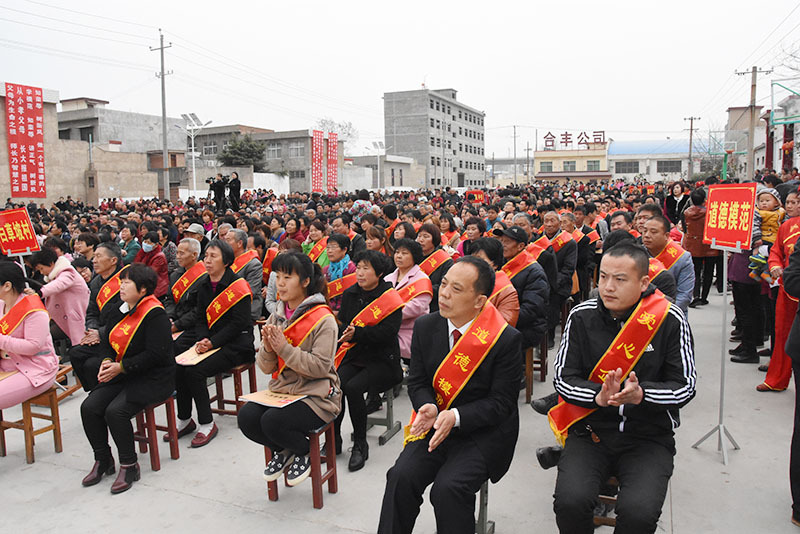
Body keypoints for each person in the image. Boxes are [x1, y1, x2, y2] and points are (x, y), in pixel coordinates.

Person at [551, 242, 696, 534]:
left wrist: (643, 395)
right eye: (603, 277)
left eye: (620, 279)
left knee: (638, 514)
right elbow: (563, 379)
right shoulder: (581, 316)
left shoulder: (669, 319)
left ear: (644, 283)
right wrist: (598, 397)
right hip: (590, 432)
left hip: (648, 437)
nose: (607, 287)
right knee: (570, 502)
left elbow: (685, 386)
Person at [378, 257, 523, 534]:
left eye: (456, 289)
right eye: (443, 284)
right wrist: (428, 406)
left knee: (448, 489)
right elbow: (418, 381)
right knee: (400, 477)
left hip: (482, 433)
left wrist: (455, 416)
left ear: (479, 301)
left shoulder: (505, 339)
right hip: (435, 425)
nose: (444, 294)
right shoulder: (426, 326)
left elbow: (502, 403)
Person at [238, 252, 342, 487]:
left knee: (273, 422)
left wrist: (283, 349)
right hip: (283, 392)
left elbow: (319, 367)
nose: (280, 283)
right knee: (247, 417)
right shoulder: (276, 317)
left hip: (316, 395)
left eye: (288, 277)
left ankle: (303, 451)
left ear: (305, 281)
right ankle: (286, 451)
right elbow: (266, 368)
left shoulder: (323, 319)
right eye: (278, 276)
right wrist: (267, 347)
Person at [79, 263, 174, 494]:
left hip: (152, 376)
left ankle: (129, 465)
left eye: (127, 282)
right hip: (123, 373)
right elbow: (107, 343)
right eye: (121, 281)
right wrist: (105, 362)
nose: (121, 286)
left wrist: (121, 367)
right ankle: (103, 459)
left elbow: (156, 355)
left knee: (116, 411)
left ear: (142, 290)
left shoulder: (155, 314)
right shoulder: (117, 310)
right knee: (89, 407)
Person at [172, 239, 255, 448]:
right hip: (210, 341)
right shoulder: (203, 285)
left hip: (236, 344)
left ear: (226, 261)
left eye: (213, 256)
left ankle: (207, 423)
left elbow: (239, 324)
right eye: (206, 256)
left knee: (194, 371)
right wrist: (202, 339)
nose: (207, 261)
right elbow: (200, 318)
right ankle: (184, 419)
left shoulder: (238, 286)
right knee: (178, 364)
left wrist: (212, 342)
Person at [335, 250, 403, 471]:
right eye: (359, 268)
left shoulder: (389, 297)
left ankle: (360, 445)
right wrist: (351, 334)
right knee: (335, 384)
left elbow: (388, 334)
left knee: (353, 388)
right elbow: (343, 325)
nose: (360, 273)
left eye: (366, 268)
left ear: (379, 272)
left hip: (382, 359)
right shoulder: (350, 294)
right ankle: (334, 437)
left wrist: (358, 334)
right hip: (354, 355)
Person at [67, 242, 127, 391]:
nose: (94, 261)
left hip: (123, 335)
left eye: (99, 256)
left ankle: (108, 393)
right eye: (94, 257)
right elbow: (92, 312)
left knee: (91, 365)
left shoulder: (127, 279)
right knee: (75, 353)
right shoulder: (95, 283)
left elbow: (128, 315)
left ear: (113, 260)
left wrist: (100, 333)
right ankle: (95, 393)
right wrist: (92, 330)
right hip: (102, 335)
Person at [0, 262, 58, 410]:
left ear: (7, 286)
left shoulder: (33, 310)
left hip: (35, 369)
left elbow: (33, 346)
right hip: (7, 364)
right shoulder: (2, 304)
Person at [759, 190, 800, 391]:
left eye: (794, 202)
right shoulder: (786, 226)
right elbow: (776, 251)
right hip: (787, 288)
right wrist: (774, 264)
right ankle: (777, 379)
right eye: (788, 202)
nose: (790, 206)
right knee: (782, 334)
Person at [495, 226, 549, 348]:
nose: (503, 245)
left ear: (520, 246)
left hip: (526, 327)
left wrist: (500, 320)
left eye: (507, 242)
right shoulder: (500, 263)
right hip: (504, 319)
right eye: (501, 241)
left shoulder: (534, 272)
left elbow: (531, 310)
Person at [27, 247, 90, 347]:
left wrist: (39, 293)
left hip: (76, 315)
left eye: (42, 269)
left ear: (51, 263)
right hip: (65, 316)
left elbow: (57, 285)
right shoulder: (56, 275)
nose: (42, 273)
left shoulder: (67, 272)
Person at [385, 239, 432, 365]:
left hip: (409, 332)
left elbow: (416, 307)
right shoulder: (388, 278)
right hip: (387, 328)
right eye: (397, 252)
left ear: (414, 256)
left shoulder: (422, 279)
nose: (399, 256)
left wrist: (385, 314)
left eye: (404, 253)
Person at [641, 215, 694, 314]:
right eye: (644, 231)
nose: (647, 235)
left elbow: (684, 295)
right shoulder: (636, 253)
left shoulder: (682, 258)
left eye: (653, 232)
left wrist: (665, 314)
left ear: (666, 236)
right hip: (641, 313)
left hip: (670, 314)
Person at [681, 188, 719, 308]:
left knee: (695, 272)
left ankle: (695, 295)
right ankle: (704, 297)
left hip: (692, 244)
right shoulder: (712, 212)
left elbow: (684, 228)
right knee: (708, 272)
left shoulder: (686, 212)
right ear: (704, 200)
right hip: (709, 245)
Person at [469, 237, 520, 327]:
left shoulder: (507, 292)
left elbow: (504, 325)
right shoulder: (465, 279)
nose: (474, 263)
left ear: (495, 264)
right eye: (471, 259)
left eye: (480, 260)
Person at [166, 238, 206, 338]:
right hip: (174, 320)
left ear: (194, 255)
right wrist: (170, 317)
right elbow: (170, 300)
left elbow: (199, 309)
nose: (178, 257)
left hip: (192, 325)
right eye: (177, 253)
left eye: (182, 253)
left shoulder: (204, 277)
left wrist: (178, 325)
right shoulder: (175, 275)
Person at [224, 228, 264, 320]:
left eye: (228, 240)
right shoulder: (225, 260)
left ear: (239, 243)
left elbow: (250, 291)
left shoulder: (253, 264)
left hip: (246, 310)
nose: (224, 243)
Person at [417, 223, 453, 312]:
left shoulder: (445, 261)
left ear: (435, 239)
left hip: (434, 306)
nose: (421, 240)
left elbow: (444, 286)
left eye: (426, 236)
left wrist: (421, 289)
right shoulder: (413, 257)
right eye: (419, 236)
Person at [323, 233, 356, 315]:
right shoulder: (326, 270)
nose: (329, 251)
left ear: (344, 249)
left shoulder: (352, 269)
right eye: (328, 247)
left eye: (333, 247)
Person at [133, 231, 169, 300]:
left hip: (156, 287)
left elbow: (150, 274)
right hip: (143, 282)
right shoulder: (143, 252)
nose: (146, 244)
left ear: (156, 245)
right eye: (145, 241)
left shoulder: (159, 257)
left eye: (149, 243)